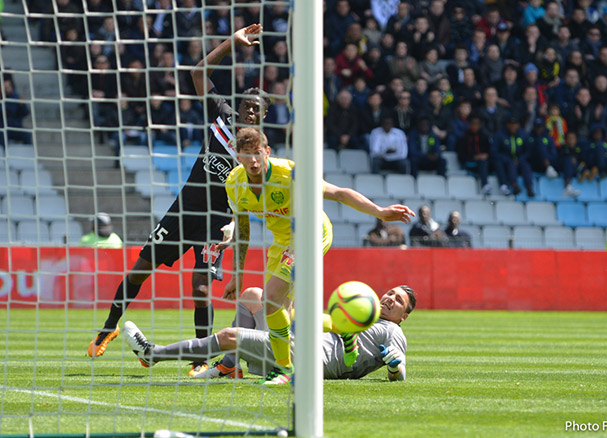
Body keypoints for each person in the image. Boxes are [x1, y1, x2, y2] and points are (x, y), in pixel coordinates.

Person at [87, 25, 266, 380]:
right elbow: (197, 72)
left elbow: (254, 196)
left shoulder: (258, 153)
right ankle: (108, 327)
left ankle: (200, 358)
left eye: (256, 110)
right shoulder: (221, 115)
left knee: (200, 288)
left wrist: (234, 221)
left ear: (263, 118)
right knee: (141, 267)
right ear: (240, 105)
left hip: (216, 220)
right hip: (185, 209)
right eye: (247, 105)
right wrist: (232, 42)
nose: (249, 112)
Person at [220, 127, 414, 384]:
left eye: (257, 153)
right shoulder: (234, 185)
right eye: (246, 155)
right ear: (237, 156)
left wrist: (380, 212)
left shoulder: (290, 173)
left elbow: (338, 193)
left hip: (311, 232)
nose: (253, 161)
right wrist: (237, 275)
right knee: (283, 313)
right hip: (282, 240)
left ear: (267, 151)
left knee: (270, 299)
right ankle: (342, 328)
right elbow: (242, 231)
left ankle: (284, 369)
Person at [123, 285, 417, 382]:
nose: (390, 298)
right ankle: (229, 366)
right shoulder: (359, 317)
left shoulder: (392, 330)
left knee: (230, 334)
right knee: (253, 295)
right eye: (390, 293)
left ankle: (152, 355)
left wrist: (394, 367)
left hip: (305, 358)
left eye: (398, 301)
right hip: (298, 342)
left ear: (403, 316)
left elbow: (400, 371)